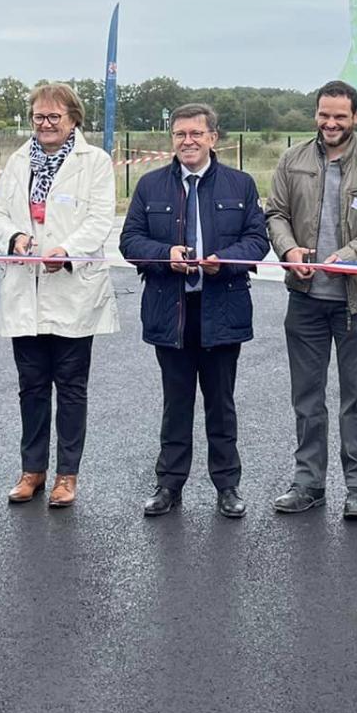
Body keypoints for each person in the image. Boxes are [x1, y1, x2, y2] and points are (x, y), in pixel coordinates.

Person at [121, 103, 269, 519]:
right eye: (180, 134)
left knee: (221, 403)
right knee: (176, 403)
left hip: (222, 309)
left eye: (196, 134)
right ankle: (169, 485)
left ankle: (227, 486)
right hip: (172, 312)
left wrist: (226, 260)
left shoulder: (240, 184)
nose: (188, 141)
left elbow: (257, 240)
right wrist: (164, 254)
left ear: (213, 138)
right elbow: (130, 240)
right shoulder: (151, 186)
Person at [264, 80, 357, 520]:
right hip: (304, 299)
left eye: (340, 116)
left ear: (355, 117)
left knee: (356, 399)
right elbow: (276, 213)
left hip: (355, 302)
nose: (331, 123)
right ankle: (308, 483)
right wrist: (287, 251)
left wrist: (352, 255)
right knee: (307, 398)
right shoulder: (293, 160)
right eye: (324, 115)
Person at [0, 83, 118, 508]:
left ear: (73, 120)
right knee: (31, 387)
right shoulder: (18, 160)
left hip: (72, 290)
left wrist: (67, 251)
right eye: (39, 117)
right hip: (26, 288)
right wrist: (16, 238)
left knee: (71, 387)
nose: (45, 125)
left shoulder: (94, 162)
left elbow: (100, 219)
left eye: (54, 117)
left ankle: (67, 475)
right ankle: (32, 471)